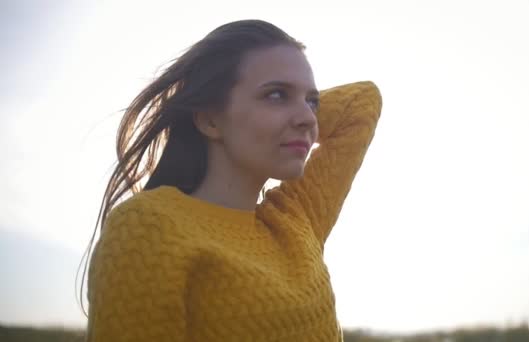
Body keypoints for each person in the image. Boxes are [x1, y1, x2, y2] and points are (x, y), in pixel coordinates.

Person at [83, 19, 382, 341]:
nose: (309, 117)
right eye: (276, 94)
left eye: (312, 101)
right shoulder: (149, 226)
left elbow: (362, 102)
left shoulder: (297, 218)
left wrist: (284, 115)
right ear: (209, 118)